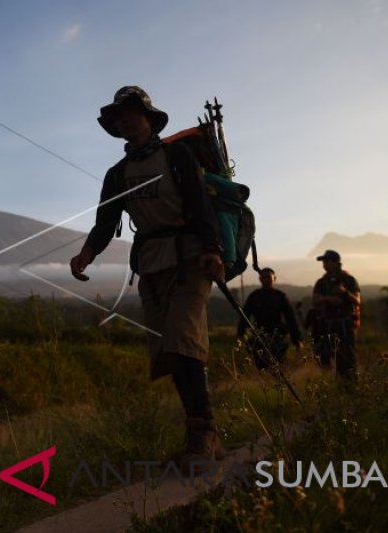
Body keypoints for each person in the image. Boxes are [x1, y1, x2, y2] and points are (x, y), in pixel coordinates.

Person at [69, 86, 225, 468]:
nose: (124, 119)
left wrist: (212, 249)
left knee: (182, 337)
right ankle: (201, 432)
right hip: (152, 263)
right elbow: (106, 221)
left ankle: (204, 435)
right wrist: (86, 254)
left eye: (131, 112)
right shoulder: (117, 174)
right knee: (169, 351)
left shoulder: (177, 155)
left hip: (190, 256)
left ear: (149, 118)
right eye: (118, 116)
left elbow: (198, 203)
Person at [236, 267, 302, 369]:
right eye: (263, 277)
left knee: (278, 365)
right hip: (259, 337)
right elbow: (245, 317)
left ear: (274, 279)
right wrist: (240, 334)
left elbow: (291, 319)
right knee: (261, 366)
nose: (266, 279)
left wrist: (297, 340)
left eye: (268, 277)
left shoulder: (280, 296)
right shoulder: (254, 296)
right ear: (260, 279)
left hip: (277, 337)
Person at [312, 250, 361, 381]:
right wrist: (329, 299)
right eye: (324, 262)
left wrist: (344, 293)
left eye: (327, 261)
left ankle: (350, 387)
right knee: (327, 357)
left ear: (336, 263)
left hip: (346, 324)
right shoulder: (321, 282)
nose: (325, 264)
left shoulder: (349, 280)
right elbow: (315, 301)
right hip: (328, 325)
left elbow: (357, 300)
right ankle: (334, 386)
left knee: (348, 357)